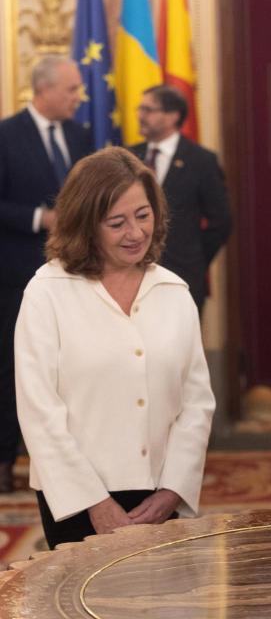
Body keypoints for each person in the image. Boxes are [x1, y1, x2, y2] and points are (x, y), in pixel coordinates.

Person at [14, 147, 216, 549]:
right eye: (117, 223)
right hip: (73, 499)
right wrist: (95, 503)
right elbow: (39, 412)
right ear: (85, 225)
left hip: (160, 497)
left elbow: (196, 403)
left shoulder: (174, 292)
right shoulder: (46, 293)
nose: (136, 233)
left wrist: (172, 491)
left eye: (143, 216)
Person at [0, 55, 93, 493]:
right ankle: (5, 458)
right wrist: (41, 218)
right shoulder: (6, 135)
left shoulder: (81, 136)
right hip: (16, 274)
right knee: (10, 367)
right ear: (45, 90)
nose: (79, 97)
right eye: (72, 89)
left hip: (75, 275)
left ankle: (69, 457)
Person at [129, 85, 231, 312]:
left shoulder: (201, 161)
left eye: (148, 110)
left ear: (173, 116)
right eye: (140, 108)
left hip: (183, 276)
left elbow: (221, 221)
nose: (139, 115)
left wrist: (194, 257)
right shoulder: (128, 157)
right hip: (131, 276)